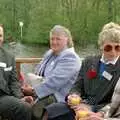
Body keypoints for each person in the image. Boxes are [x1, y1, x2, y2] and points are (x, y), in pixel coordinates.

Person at [42, 22, 120, 120]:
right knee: (50, 111)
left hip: (102, 112)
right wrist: (73, 95)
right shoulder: (88, 61)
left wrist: (91, 108)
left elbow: (115, 103)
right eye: (108, 48)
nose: (113, 52)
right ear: (101, 46)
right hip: (79, 106)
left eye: (117, 47)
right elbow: (77, 85)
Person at [22, 25, 81, 120]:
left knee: (31, 111)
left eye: (58, 39)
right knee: (20, 102)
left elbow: (54, 82)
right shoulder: (51, 53)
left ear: (67, 40)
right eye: (52, 39)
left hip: (59, 97)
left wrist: (33, 91)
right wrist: (29, 85)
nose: (54, 42)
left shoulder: (71, 58)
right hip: (45, 93)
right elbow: (38, 71)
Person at [0, 24, 33, 120]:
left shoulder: (9, 57)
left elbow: (14, 81)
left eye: (0, 36)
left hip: (3, 98)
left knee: (25, 107)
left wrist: (19, 98)